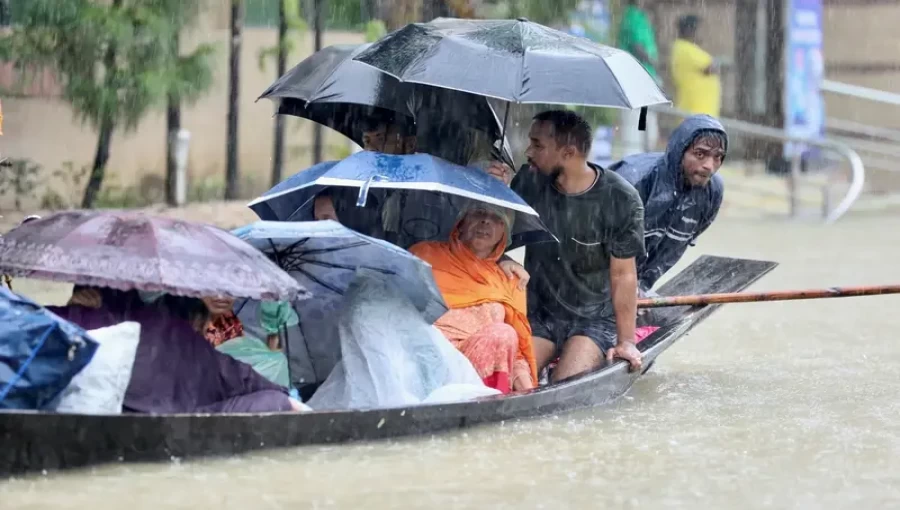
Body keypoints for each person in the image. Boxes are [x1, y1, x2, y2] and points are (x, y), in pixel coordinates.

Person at [505, 110, 646, 381]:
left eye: (537, 145)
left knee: (564, 385)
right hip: (540, 315)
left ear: (568, 153)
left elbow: (623, 275)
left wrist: (626, 341)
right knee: (511, 381)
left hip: (593, 320)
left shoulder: (622, 199)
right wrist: (493, 190)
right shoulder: (527, 182)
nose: (528, 152)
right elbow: (492, 240)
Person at [51, 287, 308, 413]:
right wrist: (284, 398)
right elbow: (243, 379)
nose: (223, 296)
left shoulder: (74, 321)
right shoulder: (181, 338)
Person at [409, 205, 537, 394]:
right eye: (478, 213)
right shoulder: (424, 255)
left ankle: (490, 407)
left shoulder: (510, 278)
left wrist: (529, 394)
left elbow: (515, 351)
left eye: (497, 218)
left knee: (502, 333)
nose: (485, 221)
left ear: (505, 233)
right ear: (461, 223)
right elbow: (397, 311)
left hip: (478, 377)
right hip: (426, 362)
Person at [610, 114, 726, 295]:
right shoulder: (634, 182)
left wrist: (640, 287)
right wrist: (624, 289)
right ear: (679, 151)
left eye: (718, 157)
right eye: (700, 154)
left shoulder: (712, 192)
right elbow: (594, 248)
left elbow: (673, 249)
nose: (709, 166)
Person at [313, 116, 417, 227]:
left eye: (381, 139)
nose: (370, 148)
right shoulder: (358, 189)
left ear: (410, 144)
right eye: (367, 141)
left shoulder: (424, 191)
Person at [617, 0, 661, 156]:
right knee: (635, 127)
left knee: (646, 125)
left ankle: (643, 159)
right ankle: (633, 164)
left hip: (645, 80)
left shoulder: (641, 16)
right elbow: (638, 47)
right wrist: (654, 63)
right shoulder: (632, 16)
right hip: (635, 80)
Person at [670, 14, 722, 118]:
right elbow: (711, 68)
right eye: (700, 29)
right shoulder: (684, 48)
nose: (703, 33)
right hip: (695, 113)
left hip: (701, 114)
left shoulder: (689, 48)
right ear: (690, 30)